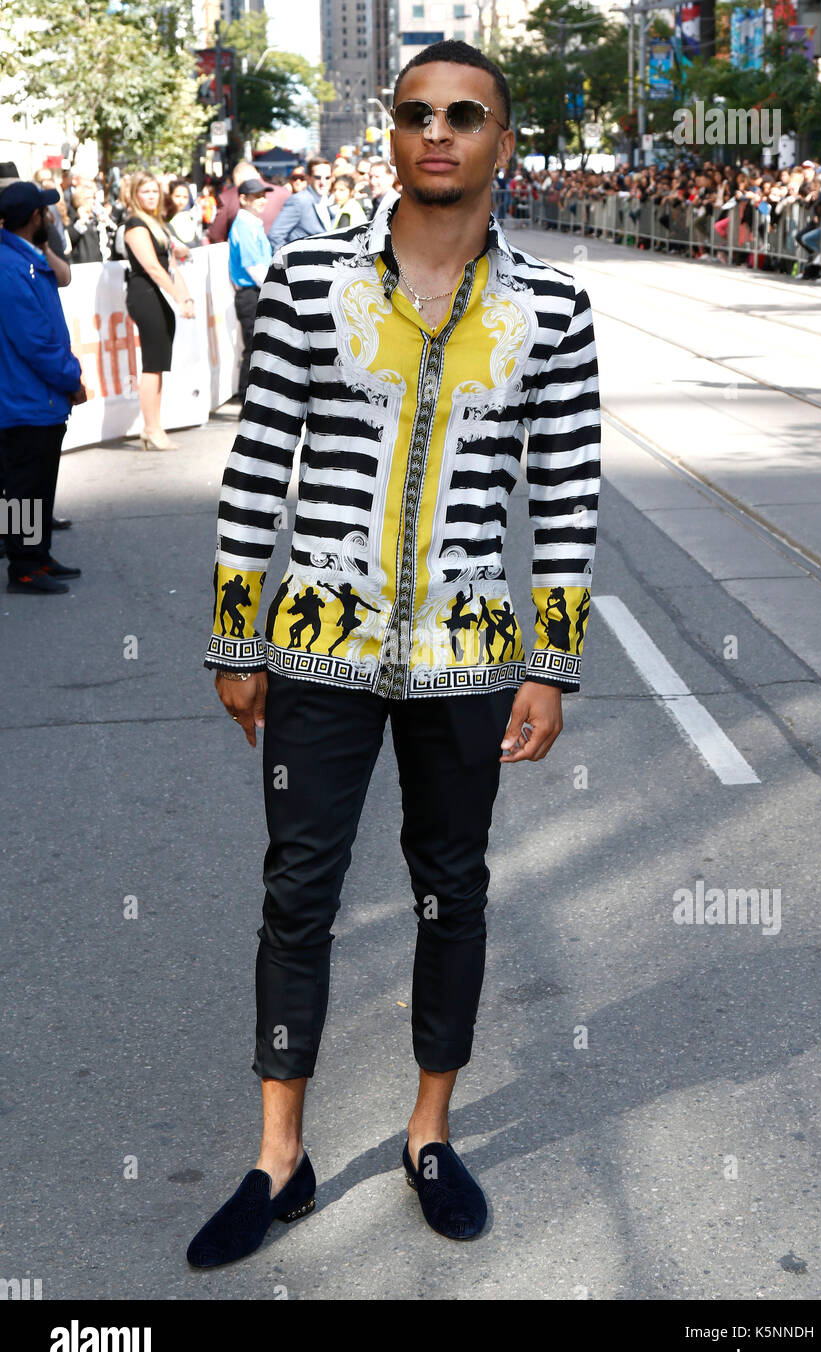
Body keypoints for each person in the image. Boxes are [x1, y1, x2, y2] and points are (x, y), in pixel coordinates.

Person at [188, 37, 601, 1268]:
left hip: (469, 657)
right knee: (297, 893)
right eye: (418, 112)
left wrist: (552, 664)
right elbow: (257, 466)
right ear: (393, 130)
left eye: (465, 115)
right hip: (320, 644)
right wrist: (236, 637)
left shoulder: (554, 308)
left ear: (501, 142)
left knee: (450, 891)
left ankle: (430, 1131)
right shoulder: (313, 278)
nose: (438, 132)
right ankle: (279, 1156)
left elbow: (566, 498)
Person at [0, 181, 86, 593]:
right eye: (45, 212)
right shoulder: (10, 266)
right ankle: (23, 566)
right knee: (23, 490)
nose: (50, 217)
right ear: (35, 217)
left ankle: (38, 556)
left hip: (36, 395)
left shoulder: (24, 257)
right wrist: (71, 378)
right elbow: (35, 341)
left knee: (37, 485)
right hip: (24, 396)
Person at [123, 171, 196, 450]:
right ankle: (152, 428)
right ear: (135, 195)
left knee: (158, 364)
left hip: (157, 296)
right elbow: (153, 267)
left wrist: (186, 297)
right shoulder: (135, 224)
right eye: (146, 191)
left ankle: (154, 426)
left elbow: (171, 265)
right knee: (153, 365)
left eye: (155, 191)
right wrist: (178, 298)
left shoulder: (157, 223)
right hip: (144, 295)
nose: (152, 196)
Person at [227, 176, 274, 400]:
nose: (262, 200)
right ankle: (247, 400)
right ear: (243, 199)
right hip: (251, 293)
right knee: (255, 348)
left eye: (263, 196)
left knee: (258, 347)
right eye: (257, 196)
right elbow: (253, 266)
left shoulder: (250, 223)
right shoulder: (245, 226)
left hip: (254, 291)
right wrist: (273, 288)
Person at [268, 155, 333, 249]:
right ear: (308, 178)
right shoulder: (299, 200)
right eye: (318, 177)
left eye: (327, 178)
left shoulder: (327, 201)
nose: (323, 182)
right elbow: (275, 235)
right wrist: (289, 257)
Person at [167, 179, 203, 249]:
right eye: (177, 196)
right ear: (170, 195)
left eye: (185, 197)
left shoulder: (186, 216)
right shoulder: (166, 219)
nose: (181, 201)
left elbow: (195, 238)